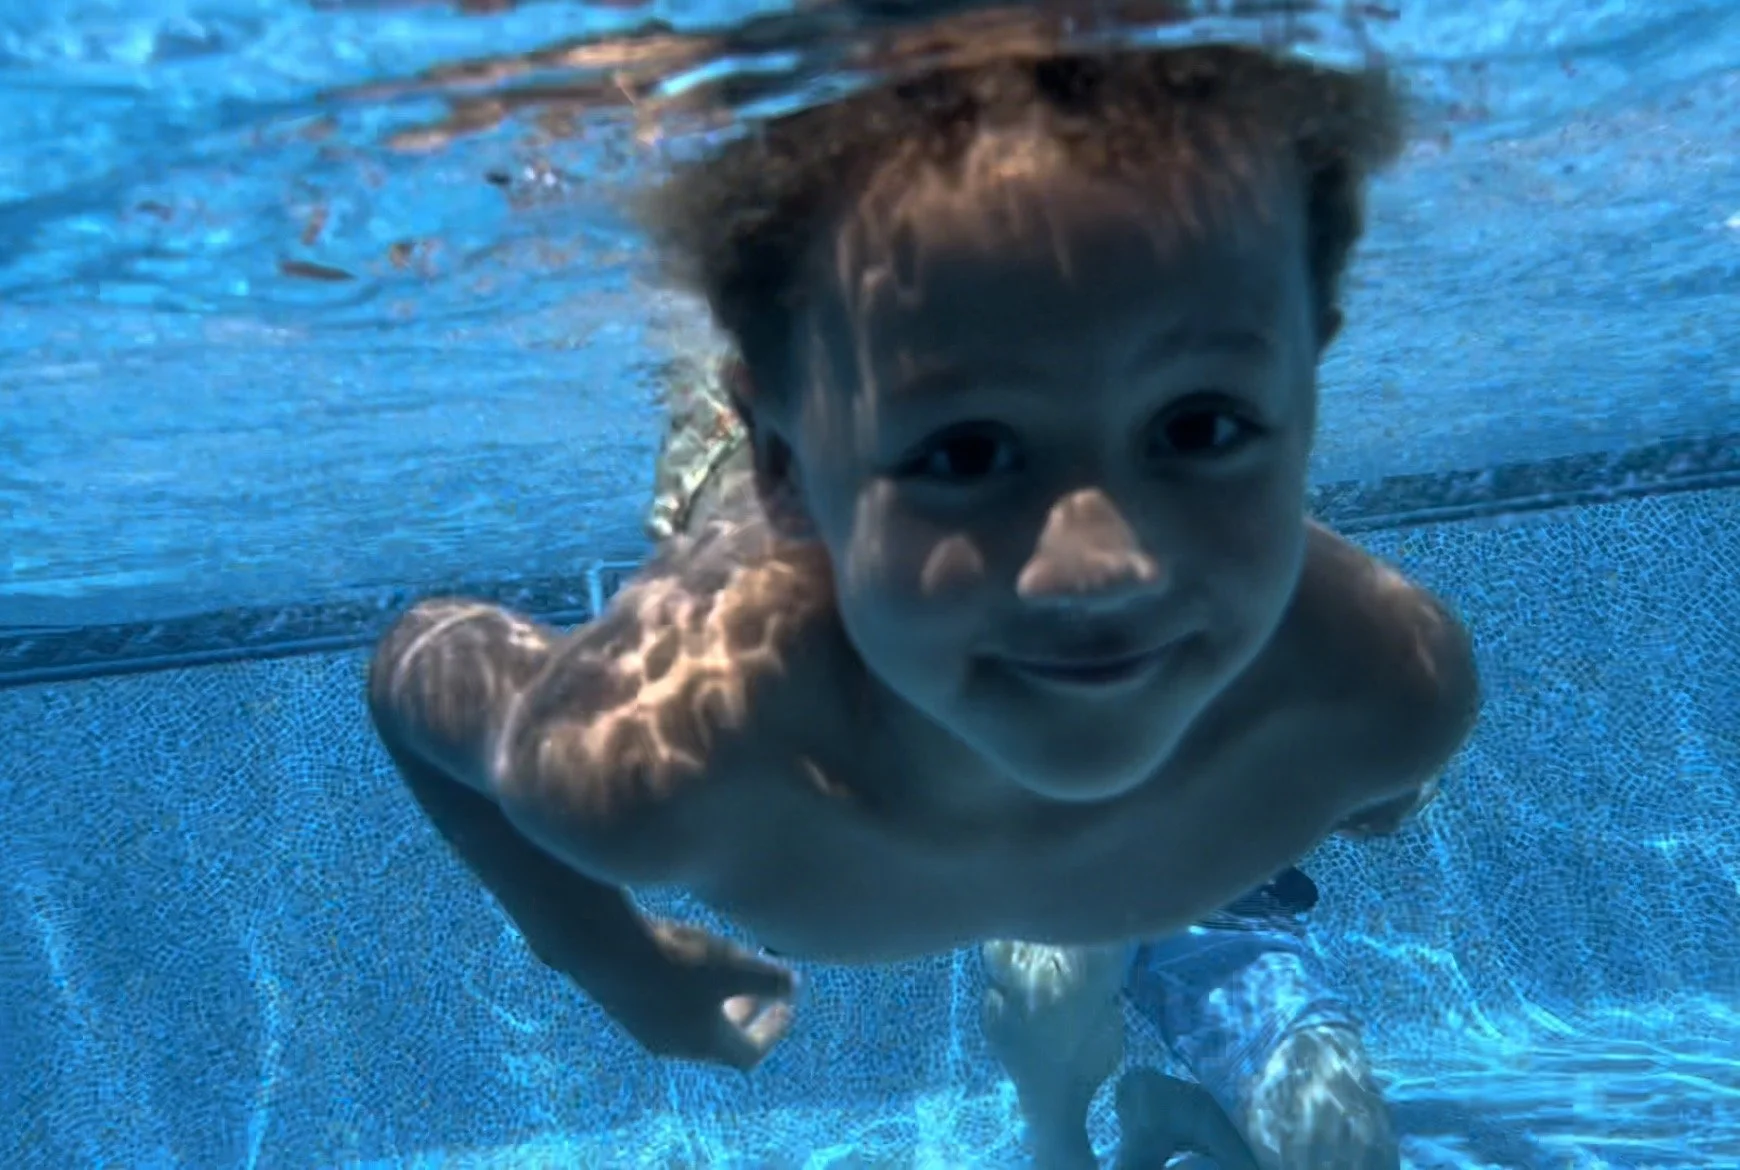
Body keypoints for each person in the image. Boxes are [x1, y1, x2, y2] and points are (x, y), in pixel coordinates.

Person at [366, 42, 1476, 1169]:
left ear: (1308, 386)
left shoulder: (1388, 694)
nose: (1104, 568)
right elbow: (416, 666)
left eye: (1203, 428)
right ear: (785, 465)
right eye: (968, 453)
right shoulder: (661, 755)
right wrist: (608, 958)